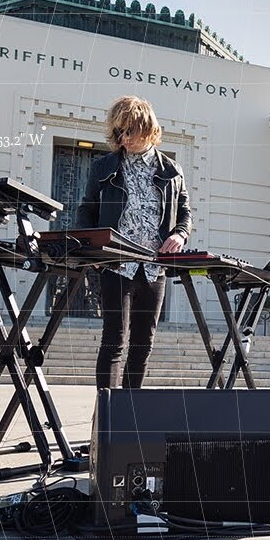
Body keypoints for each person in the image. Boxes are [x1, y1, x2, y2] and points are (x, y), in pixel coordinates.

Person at [77, 96, 192, 390]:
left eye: (129, 131)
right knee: (113, 340)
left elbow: (185, 214)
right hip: (115, 265)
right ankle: (107, 417)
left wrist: (179, 234)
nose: (123, 138)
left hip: (154, 269)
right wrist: (91, 252)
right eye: (119, 132)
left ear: (147, 129)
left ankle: (129, 413)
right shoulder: (104, 166)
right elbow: (86, 210)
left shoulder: (172, 171)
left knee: (143, 344)